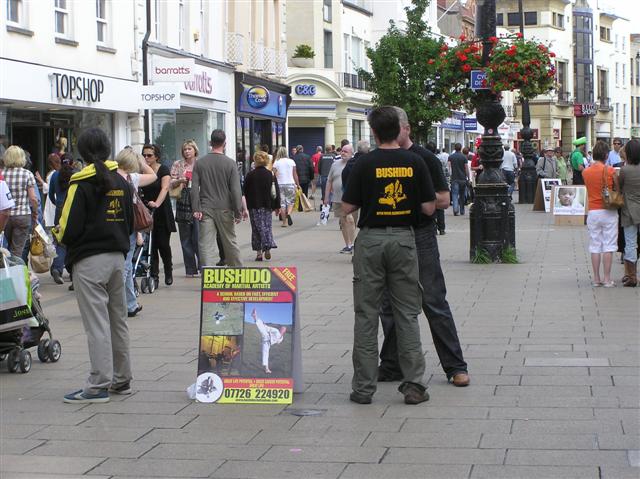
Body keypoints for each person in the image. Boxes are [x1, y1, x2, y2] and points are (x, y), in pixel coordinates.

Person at [341, 106, 436, 405]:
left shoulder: (363, 164)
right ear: (400, 129)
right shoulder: (414, 162)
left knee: (366, 314)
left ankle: (364, 389)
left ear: (374, 132)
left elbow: (346, 208)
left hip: (370, 240)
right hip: (404, 239)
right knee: (407, 312)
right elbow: (430, 207)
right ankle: (414, 386)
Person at [377, 107, 469, 388]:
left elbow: (442, 200)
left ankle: (455, 366)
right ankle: (391, 364)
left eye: (398, 127)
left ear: (406, 129)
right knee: (388, 305)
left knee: (433, 301)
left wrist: (409, 202)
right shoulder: (378, 159)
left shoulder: (424, 158)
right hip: (388, 237)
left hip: (420, 236)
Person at [54, 128, 134, 403]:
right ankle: (121, 380)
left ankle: (98, 384)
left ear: (83, 153)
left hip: (90, 261)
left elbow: (66, 229)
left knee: (97, 324)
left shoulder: (81, 183)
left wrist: (56, 237)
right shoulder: (122, 182)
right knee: (118, 320)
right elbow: (130, 223)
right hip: (117, 259)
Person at [191, 129, 245, 267]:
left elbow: (194, 188)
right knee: (230, 241)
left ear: (210, 143)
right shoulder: (230, 163)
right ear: (225, 144)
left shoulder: (200, 163)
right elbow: (235, 190)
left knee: (205, 244)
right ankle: (238, 272)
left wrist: (196, 208)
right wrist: (238, 211)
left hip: (206, 208)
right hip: (225, 208)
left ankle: (208, 277)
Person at [115, 148, 156, 317]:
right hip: (128, 228)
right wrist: (141, 162)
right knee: (125, 266)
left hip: (112, 226)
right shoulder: (131, 178)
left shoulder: (110, 177)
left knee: (128, 266)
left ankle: (131, 304)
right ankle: (117, 304)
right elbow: (153, 175)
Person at [582, 141, 619, 288]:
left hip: (593, 211)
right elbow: (617, 188)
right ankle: (607, 279)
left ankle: (596, 279)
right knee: (608, 245)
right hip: (608, 210)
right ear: (605, 155)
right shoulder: (610, 170)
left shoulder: (586, 172)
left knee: (595, 245)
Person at [140, 144, 176, 287]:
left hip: (161, 211)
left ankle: (168, 270)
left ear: (156, 157)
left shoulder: (163, 169)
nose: (146, 158)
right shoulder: (142, 170)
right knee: (151, 245)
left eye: (149, 155)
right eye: (144, 155)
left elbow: (165, 188)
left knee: (163, 244)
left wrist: (157, 203)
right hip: (146, 210)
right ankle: (154, 275)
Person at [1, 146, 38, 258]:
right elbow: (33, 198)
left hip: (4, 216)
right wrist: (35, 212)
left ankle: (5, 270)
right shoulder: (27, 174)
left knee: (4, 249)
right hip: (22, 215)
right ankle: (16, 273)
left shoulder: (2, 174)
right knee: (17, 251)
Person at [170, 140, 200, 277]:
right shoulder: (178, 164)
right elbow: (170, 182)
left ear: (195, 150)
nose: (187, 151)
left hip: (198, 200)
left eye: (189, 149)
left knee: (199, 236)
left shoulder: (201, 163)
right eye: (185, 149)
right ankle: (190, 269)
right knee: (185, 237)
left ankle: (202, 266)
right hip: (183, 199)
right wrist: (180, 180)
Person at [244, 150, 280, 261]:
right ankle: (267, 246)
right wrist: (277, 206)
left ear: (255, 161)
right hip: (267, 205)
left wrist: (243, 208)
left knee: (256, 229)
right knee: (266, 227)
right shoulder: (270, 174)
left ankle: (259, 253)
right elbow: (276, 191)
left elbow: (244, 191)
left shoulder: (250, 175)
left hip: (254, 206)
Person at [48, 154, 77, 285]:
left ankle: (57, 268)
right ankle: (73, 273)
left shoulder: (55, 175)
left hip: (60, 208)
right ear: (72, 163)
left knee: (60, 241)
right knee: (75, 240)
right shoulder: (76, 175)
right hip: (73, 207)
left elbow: (50, 194)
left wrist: (57, 203)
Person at [324, 144, 356, 253]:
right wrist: (326, 197)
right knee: (343, 222)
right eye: (342, 151)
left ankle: (352, 244)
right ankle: (348, 245)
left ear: (352, 153)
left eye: (346, 151)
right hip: (338, 198)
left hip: (353, 199)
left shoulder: (355, 164)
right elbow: (329, 181)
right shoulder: (335, 164)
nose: (343, 153)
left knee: (351, 220)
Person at [619, 139, 640, 287]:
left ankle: (632, 276)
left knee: (631, 243)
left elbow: (619, 187)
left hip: (629, 211)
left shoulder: (625, 170)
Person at [251, 308, 286, 374]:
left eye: (283, 330)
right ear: (280, 329)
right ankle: (254, 316)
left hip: (268, 343)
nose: (282, 330)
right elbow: (268, 328)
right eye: (282, 329)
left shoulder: (281, 338)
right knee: (262, 329)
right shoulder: (276, 331)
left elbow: (278, 342)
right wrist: (265, 325)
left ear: (284, 332)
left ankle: (266, 369)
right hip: (267, 336)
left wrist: (277, 340)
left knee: (266, 354)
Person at [272, 146, 300, 228]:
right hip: (290, 184)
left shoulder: (276, 162)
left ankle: (284, 223)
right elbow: (295, 174)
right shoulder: (291, 161)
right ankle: (289, 213)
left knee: (282, 204)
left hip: (280, 185)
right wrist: (297, 184)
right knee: (291, 202)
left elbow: (273, 174)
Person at [36, 153, 61, 228]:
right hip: (57, 198)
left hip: (52, 199)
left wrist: (41, 180)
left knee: (52, 223)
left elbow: (49, 189)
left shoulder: (52, 174)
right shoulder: (59, 172)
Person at [448, 143, 468, 216]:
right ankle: (462, 210)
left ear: (454, 148)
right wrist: (467, 177)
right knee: (462, 195)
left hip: (455, 178)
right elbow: (466, 168)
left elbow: (449, 167)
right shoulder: (464, 157)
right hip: (462, 178)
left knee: (454, 194)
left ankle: (456, 209)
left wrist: (450, 176)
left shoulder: (451, 157)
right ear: (461, 148)